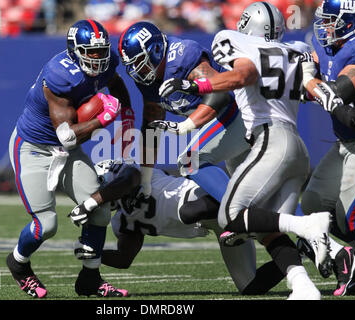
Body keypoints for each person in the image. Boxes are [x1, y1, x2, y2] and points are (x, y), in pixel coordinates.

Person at [159, 1, 332, 300]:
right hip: (295, 145)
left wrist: (195, 89)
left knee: (231, 214)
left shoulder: (232, 40)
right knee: (269, 224)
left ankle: (307, 225)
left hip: (266, 136)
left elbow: (242, 78)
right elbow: (313, 85)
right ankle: (305, 284)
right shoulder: (293, 50)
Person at [6, 19, 132, 298]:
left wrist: (126, 115)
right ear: (75, 50)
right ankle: (18, 262)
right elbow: (67, 136)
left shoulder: (107, 62)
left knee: (98, 208)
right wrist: (103, 118)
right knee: (46, 225)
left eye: (102, 51)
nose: (98, 58)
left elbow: (115, 83)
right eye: (92, 52)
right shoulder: (60, 75)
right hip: (34, 148)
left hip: (67, 150)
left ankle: (90, 278)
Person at [69, 158, 285, 295]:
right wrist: (95, 254)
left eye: (101, 191)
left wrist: (91, 203)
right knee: (249, 287)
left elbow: (129, 179)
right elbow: (124, 259)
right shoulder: (122, 220)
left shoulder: (126, 171)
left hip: (198, 197)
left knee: (187, 213)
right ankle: (298, 253)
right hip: (217, 225)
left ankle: (254, 206)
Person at [117, 20, 250, 207]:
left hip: (239, 111)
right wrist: (145, 178)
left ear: (155, 51)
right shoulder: (148, 80)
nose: (136, 71)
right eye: (131, 65)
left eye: (139, 61)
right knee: (252, 189)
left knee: (190, 161)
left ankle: (237, 212)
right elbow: (151, 126)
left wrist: (185, 126)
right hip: (227, 122)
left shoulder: (181, 56)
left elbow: (220, 95)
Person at [298, 0, 355, 296]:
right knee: (314, 205)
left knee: (352, 215)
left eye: (331, 20)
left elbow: (337, 94)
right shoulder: (331, 44)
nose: (324, 26)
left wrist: (308, 79)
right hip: (346, 140)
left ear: (352, 20)